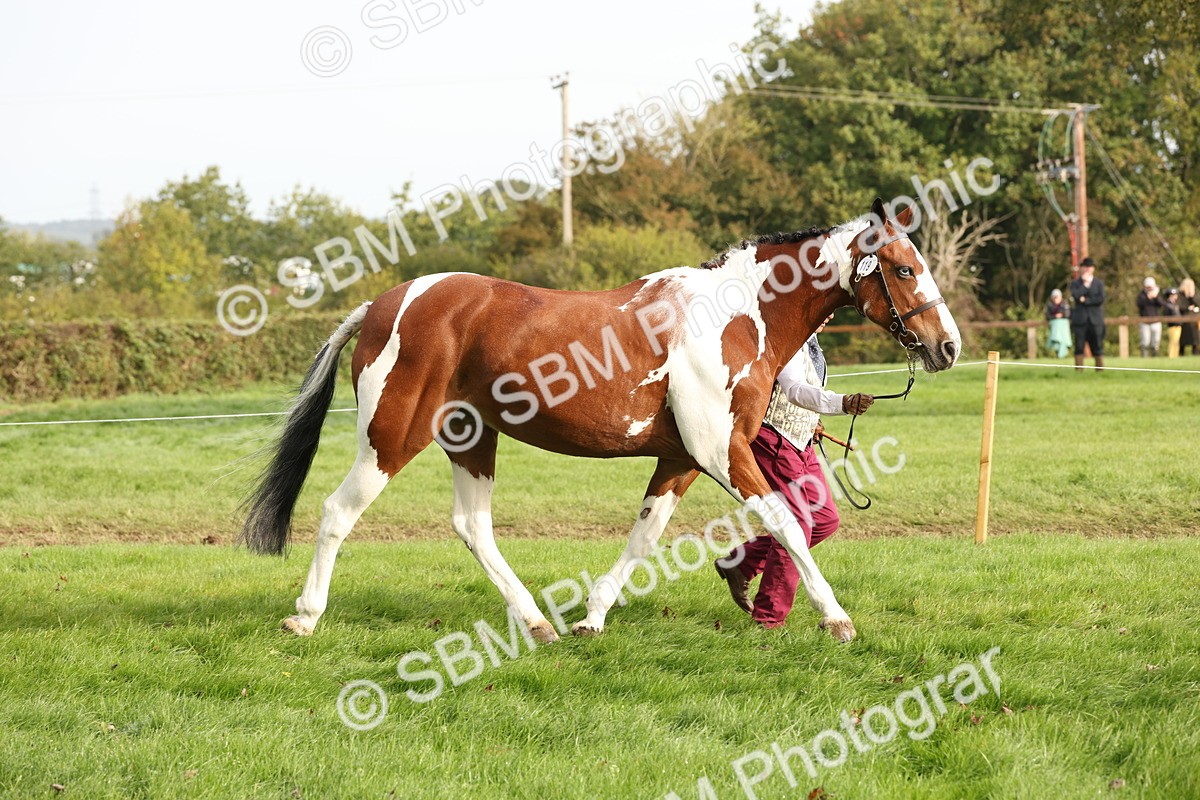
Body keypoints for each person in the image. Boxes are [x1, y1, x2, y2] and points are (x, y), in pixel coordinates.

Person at [713, 323, 874, 628]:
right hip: (774, 438)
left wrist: (812, 421)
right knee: (798, 525)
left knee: (825, 520)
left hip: (802, 441)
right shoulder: (786, 334)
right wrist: (841, 403)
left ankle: (740, 562)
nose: (827, 318)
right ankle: (768, 619)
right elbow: (794, 389)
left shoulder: (812, 341)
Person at [1069, 257, 1106, 370]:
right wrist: (1085, 286)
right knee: (1079, 345)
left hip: (1095, 319)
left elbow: (1100, 299)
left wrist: (1086, 300)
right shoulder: (1075, 283)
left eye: (1089, 267)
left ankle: (1100, 368)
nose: (1087, 270)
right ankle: (1079, 368)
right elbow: (1075, 296)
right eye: (1085, 267)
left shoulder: (1098, 283)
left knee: (1097, 345)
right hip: (1080, 320)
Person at [1136, 276, 1165, 357]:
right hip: (1145, 322)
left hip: (1156, 321)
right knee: (1145, 341)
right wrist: (1148, 298)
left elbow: (1162, 304)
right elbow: (1139, 304)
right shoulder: (1141, 295)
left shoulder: (1157, 295)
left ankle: (1155, 356)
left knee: (1156, 341)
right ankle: (1144, 357)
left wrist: (1155, 297)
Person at [1045, 288, 1072, 358]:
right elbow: (1047, 316)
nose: (1056, 299)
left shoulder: (1065, 303)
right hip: (1053, 324)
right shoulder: (1049, 305)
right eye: (1054, 297)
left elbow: (1067, 314)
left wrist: (1061, 315)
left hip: (1063, 326)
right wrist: (1055, 316)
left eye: (1057, 297)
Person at [1179, 278, 1199, 356]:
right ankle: (1181, 353)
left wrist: (1192, 297)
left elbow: (1198, 304)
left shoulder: (1195, 295)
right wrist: (1188, 308)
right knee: (1183, 340)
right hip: (1184, 320)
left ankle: (1195, 353)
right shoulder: (1180, 295)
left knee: (1195, 339)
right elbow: (1180, 306)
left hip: (1194, 320)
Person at [1163, 288, 1182, 358]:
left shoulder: (1176, 304)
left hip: (1178, 325)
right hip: (1172, 326)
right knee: (1172, 341)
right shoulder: (1168, 305)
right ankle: (1171, 356)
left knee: (1177, 342)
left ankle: (1175, 355)